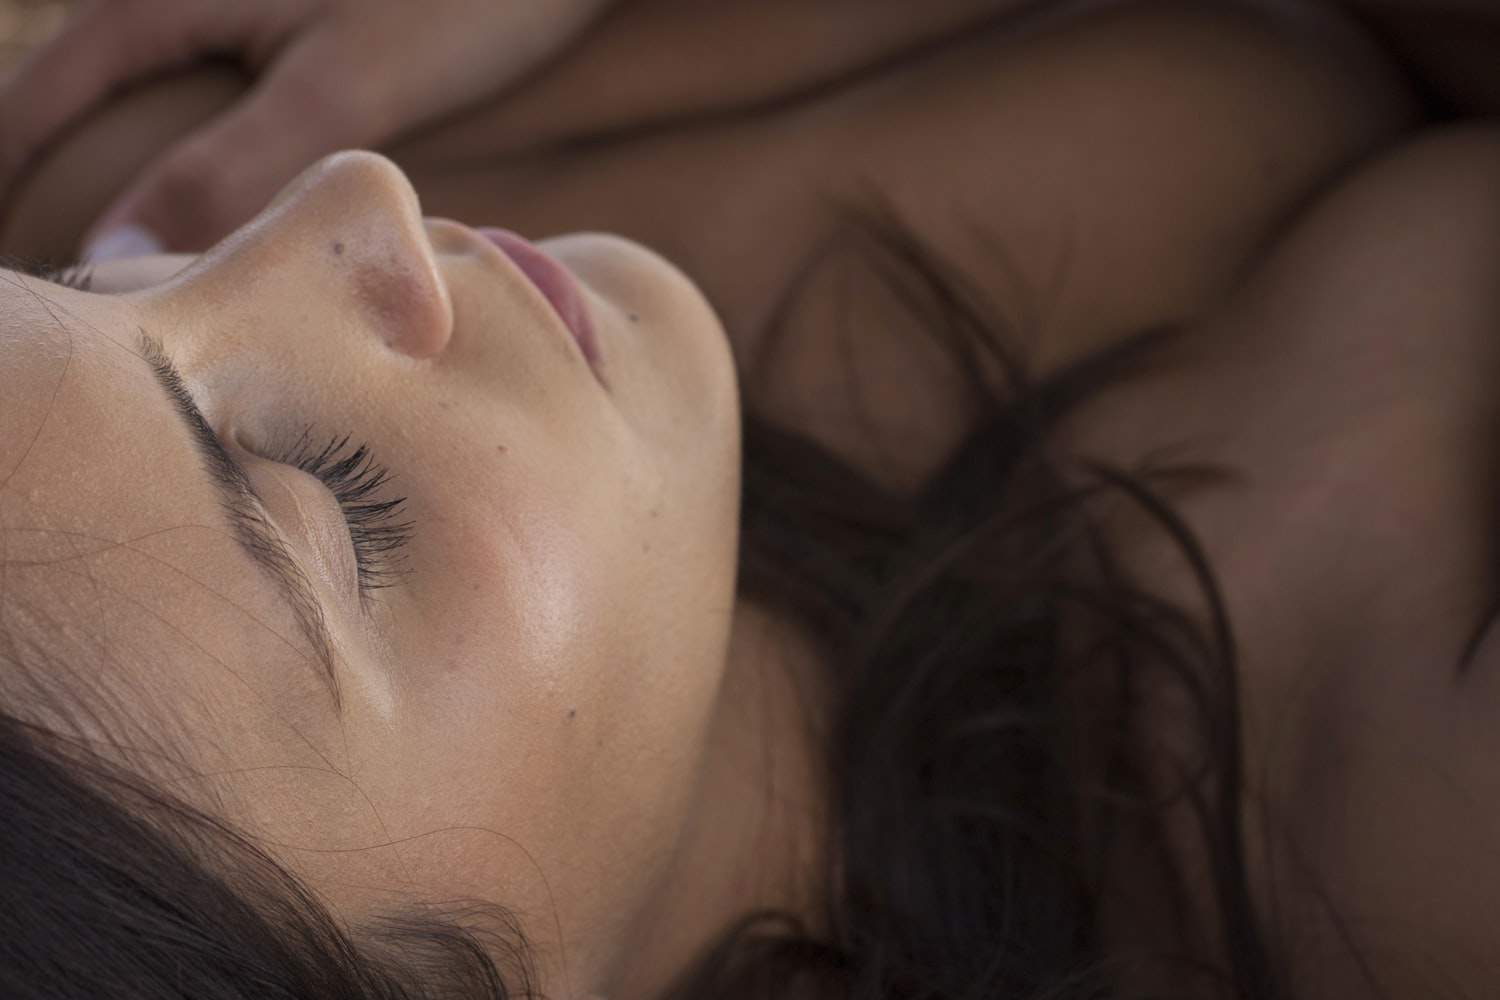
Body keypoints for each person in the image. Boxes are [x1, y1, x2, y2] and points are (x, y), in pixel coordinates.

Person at [0, 0, 1493, 997]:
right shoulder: (1410, 829)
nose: (346, 198)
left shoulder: (155, 173)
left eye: (77, 294)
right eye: (332, 503)